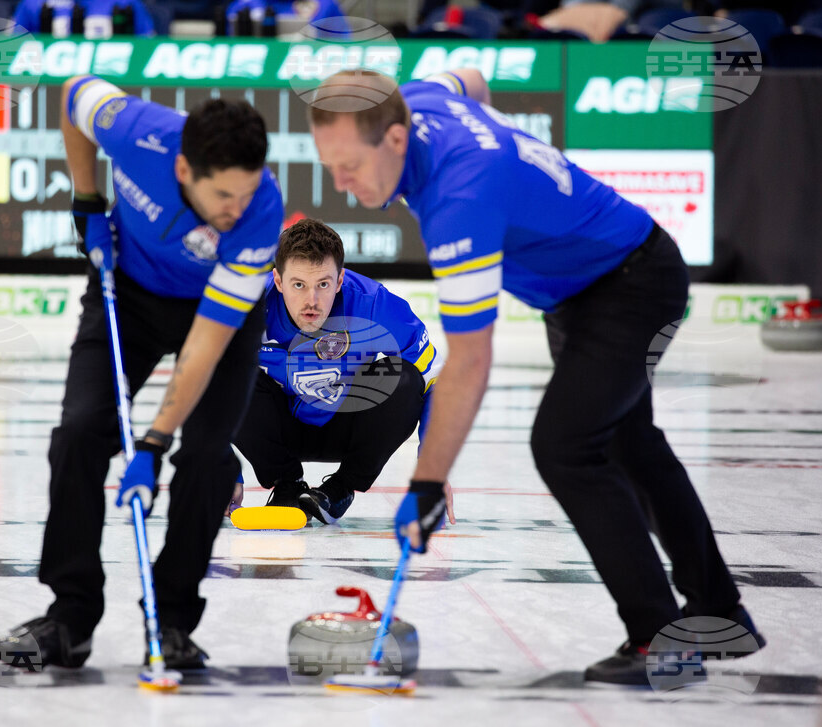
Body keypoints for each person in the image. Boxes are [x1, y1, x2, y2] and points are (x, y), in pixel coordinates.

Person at [307, 68, 765, 686]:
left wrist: (428, 481)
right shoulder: (420, 98)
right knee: (633, 446)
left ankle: (662, 638)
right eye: (328, 166)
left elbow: (468, 362)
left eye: (349, 166)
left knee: (566, 446)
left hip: (629, 285)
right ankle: (717, 613)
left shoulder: (459, 198)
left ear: (394, 139)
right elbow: (469, 78)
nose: (340, 183)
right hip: (589, 287)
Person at [0, 75, 284, 672]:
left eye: (246, 193)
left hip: (219, 317)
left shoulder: (260, 215)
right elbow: (73, 96)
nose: (237, 209)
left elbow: (203, 345)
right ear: (183, 170)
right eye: (224, 195)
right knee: (80, 432)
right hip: (128, 292)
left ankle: (171, 618)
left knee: (206, 456)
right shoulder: (135, 131)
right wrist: (87, 200)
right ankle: (69, 617)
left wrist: (153, 442)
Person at [231, 217, 454, 525]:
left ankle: (340, 488)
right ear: (278, 281)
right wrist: (220, 463)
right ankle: (286, 485)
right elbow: (203, 374)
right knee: (228, 378)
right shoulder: (248, 305)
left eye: (323, 284)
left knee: (405, 378)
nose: (312, 300)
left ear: (339, 280)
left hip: (348, 426)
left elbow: (435, 378)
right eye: (298, 285)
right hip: (281, 428)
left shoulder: (373, 303)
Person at [13, 0, 156, 38]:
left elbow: (146, 48)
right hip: (51, 83)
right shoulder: (33, 3)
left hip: (110, 79)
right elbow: (14, 47)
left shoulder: (126, 3)